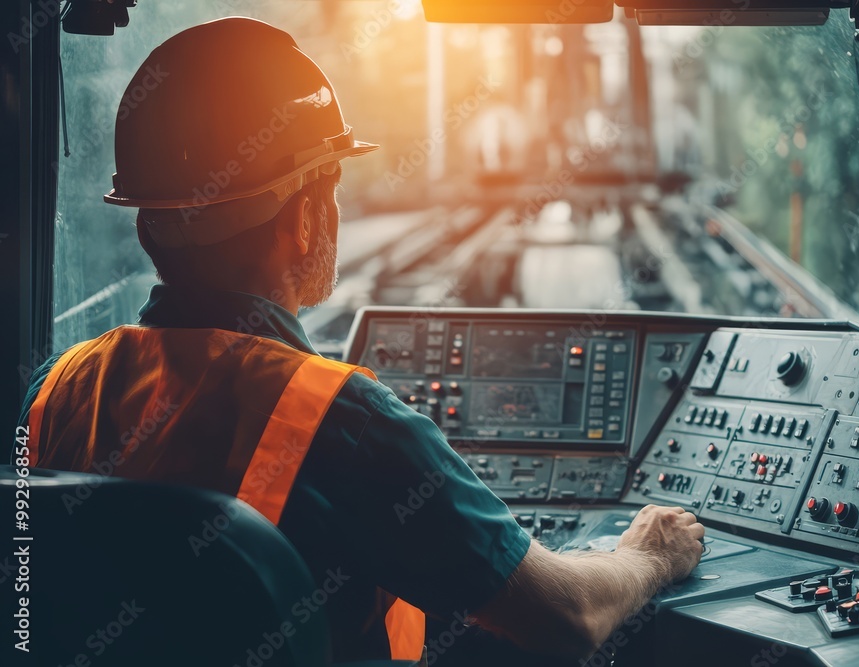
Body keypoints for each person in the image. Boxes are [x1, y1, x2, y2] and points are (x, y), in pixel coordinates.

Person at [17, 17, 704, 665]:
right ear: (307, 220)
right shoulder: (337, 420)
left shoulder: (51, 391)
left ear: (147, 224)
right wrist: (648, 552)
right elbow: (569, 617)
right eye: (331, 188)